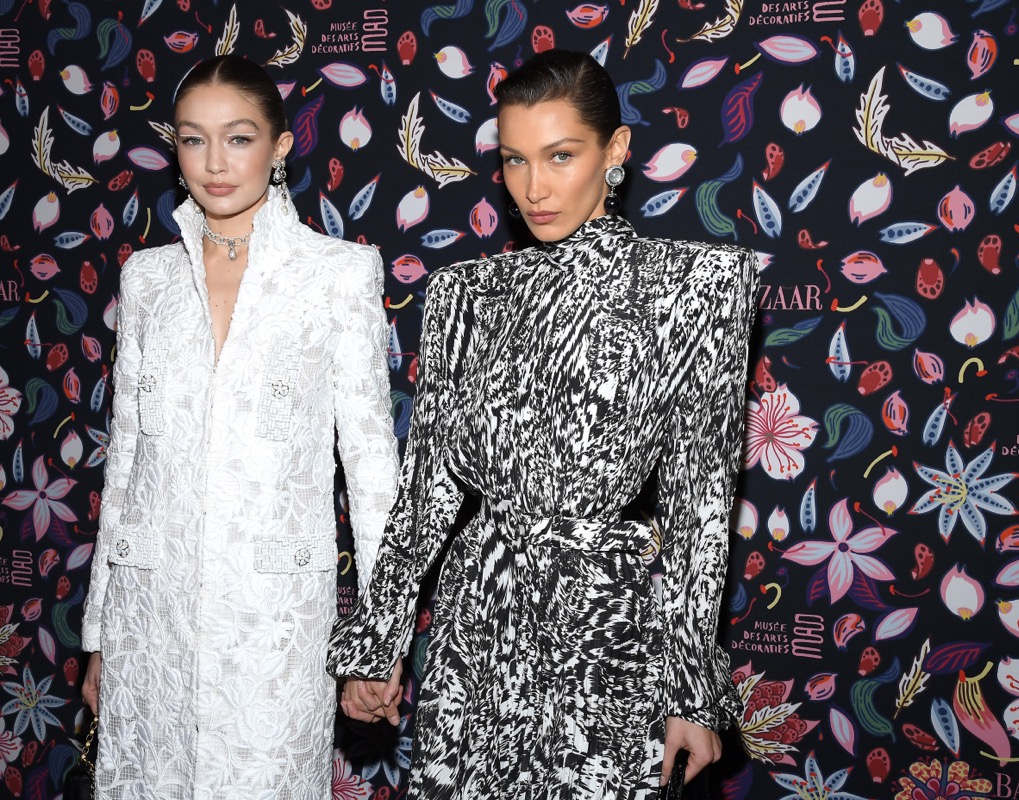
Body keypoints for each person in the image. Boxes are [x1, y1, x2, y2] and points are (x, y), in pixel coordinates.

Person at [327, 49, 759, 799]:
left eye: (561, 156)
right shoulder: (465, 294)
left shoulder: (698, 286)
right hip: (474, 633)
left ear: (615, 151)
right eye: (516, 160)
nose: (535, 187)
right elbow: (427, 490)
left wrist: (692, 692)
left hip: (604, 639)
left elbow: (700, 507)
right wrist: (379, 640)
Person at [79, 55, 398, 799]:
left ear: (281, 146)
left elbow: (373, 470)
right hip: (149, 619)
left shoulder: (338, 274)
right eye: (193, 140)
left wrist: (379, 637)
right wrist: (100, 636)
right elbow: (127, 463)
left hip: (274, 627)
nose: (215, 164)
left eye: (239, 138)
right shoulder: (148, 278)